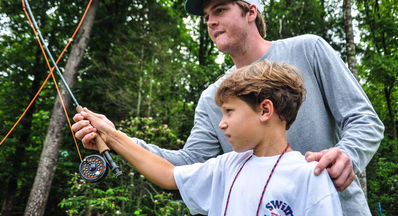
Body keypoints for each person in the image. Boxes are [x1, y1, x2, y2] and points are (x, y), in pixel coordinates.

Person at [72, 0, 384, 215]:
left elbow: (365, 120)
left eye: (220, 10)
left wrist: (347, 155)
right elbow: (186, 165)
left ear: (251, 12)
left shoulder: (309, 49)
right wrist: (115, 137)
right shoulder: (213, 98)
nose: (210, 21)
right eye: (207, 15)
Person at [77, 60, 343, 215]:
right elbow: (170, 175)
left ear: (265, 110)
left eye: (228, 112)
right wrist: (111, 136)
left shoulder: (311, 177)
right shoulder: (227, 165)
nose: (221, 124)